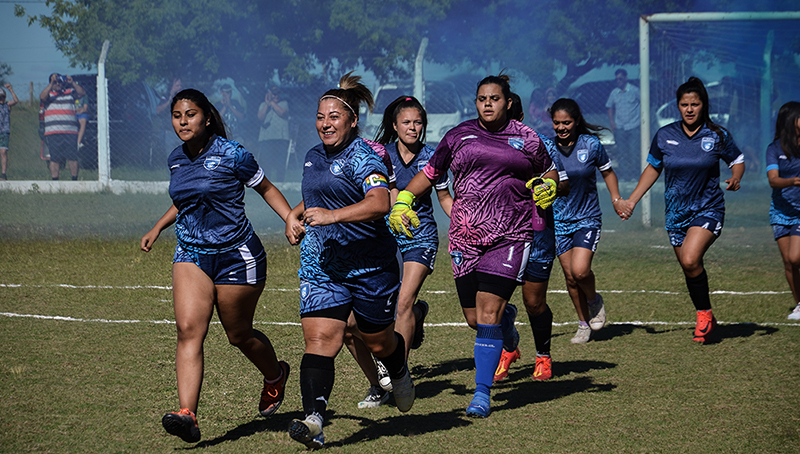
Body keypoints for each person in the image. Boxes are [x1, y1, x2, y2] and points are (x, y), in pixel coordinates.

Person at [390, 74, 557, 418]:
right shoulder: (458, 136)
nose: (487, 104)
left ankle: (482, 393)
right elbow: (432, 172)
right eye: (482, 99)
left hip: (511, 233)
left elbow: (551, 171)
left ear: (508, 102)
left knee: (487, 314)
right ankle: (507, 324)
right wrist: (404, 198)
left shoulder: (526, 138)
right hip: (465, 235)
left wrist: (548, 186)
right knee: (474, 318)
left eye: (494, 98)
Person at [140, 89, 293, 443]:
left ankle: (275, 375)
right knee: (188, 330)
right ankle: (187, 415)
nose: (183, 121)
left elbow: (266, 188)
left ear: (206, 117)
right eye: (177, 115)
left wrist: (288, 218)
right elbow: (188, 199)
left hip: (237, 256)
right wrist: (158, 226)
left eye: (190, 114)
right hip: (191, 253)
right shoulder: (176, 159)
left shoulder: (232, 154)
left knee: (238, 335)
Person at [284, 72, 415, 449]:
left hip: (371, 267)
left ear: (352, 121)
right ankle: (313, 421)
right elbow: (318, 197)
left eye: (334, 117)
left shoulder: (367, 155)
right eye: (320, 116)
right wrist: (297, 215)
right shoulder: (312, 156)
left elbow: (380, 203)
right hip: (323, 263)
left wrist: (331, 216)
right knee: (321, 339)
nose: (325, 123)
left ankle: (399, 371)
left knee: (377, 341)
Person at [618, 77, 745, 342]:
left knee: (689, 258)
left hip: (708, 208)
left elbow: (738, 159)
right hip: (676, 214)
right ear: (677, 106)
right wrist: (632, 200)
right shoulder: (665, 135)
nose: (689, 109)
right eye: (684, 104)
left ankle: (703, 316)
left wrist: (736, 177)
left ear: (703, 105)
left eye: (695, 104)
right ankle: (707, 315)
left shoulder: (717, 134)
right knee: (690, 266)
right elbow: (653, 168)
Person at [348, 95, 454, 409]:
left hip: (421, 238)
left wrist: (467, 220)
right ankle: (416, 318)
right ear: (394, 125)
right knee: (368, 313)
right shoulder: (382, 155)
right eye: (406, 122)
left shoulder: (434, 156)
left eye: (418, 122)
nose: (413, 127)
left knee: (402, 303)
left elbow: (445, 198)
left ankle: (396, 375)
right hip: (386, 238)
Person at [494, 93, 568, 382]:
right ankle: (509, 347)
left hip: (536, 236)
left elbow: (564, 183)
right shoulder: (482, 146)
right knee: (490, 303)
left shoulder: (540, 144)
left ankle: (543, 356)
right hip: (496, 237)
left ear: (521, 119)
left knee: (534, 302)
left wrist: (550, 187)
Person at [547, 98, 622, 344]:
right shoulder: (547, 147)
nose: (561, 127)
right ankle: (582, 324)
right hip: (558, 220)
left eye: (566, 122)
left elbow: (608, 172)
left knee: (580, 271)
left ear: (576, 121)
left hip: (587, 217)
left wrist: (616, 199)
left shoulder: (591, 144)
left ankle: (593, 301)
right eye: (557, 123)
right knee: (569, 277)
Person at [766, 101, 800, 320]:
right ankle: (799, 304)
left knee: (795, 257)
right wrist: (793, 182)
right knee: (788, 262)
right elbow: (773, 180)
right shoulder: (774, 149)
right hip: (780, 212)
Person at [40, 73, 86, 180]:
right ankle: (55, 181)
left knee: (72, 157)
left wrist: (72, 83)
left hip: (70, 131)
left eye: (59, 82)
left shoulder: (70, 92)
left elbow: (82, 93)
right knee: (54, 158)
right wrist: (51, 83)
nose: (58, 84)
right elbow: (42, 97)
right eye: (55, 82)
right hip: (53, 131)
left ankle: (74, 180)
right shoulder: (49, 95)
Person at [606, 69, 641, 181]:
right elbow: (610, 107)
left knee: (634, 152)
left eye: (620, 79)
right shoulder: (614, 93)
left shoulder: (635, 91)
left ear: (626, 78)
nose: (618, 81)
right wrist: (612, 122)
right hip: (620, 127)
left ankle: (635, 176)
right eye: (616, 79)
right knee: (622, 153)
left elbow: (644, 103)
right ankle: (625, 176)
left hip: (634, 126)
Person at [257, 86, 290, 181]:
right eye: (274, 94)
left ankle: (280, 184)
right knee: (266, 164)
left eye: (277, 94)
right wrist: (267, 105)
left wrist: (271, 102)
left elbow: (282, 113)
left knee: (280, 164)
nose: (276, 96)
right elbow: (260, 117)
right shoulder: (263, 105)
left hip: (281, 138)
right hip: (266, 138)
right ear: (269, 94)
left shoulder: (283, 103)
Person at [0, 83, 19, 180]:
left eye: (2, 97)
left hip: (4, 132)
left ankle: (3, 174)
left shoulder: (7, 105)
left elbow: (16, 101)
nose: (1, 99)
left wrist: (10, 90)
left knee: (3, 152)